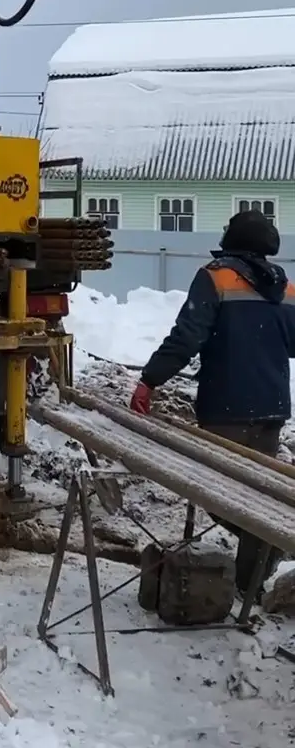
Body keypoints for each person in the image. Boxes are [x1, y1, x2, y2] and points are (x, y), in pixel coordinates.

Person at [129, 208, 295, 593]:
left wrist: (149, 381)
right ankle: (249, 582)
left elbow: (187, 336)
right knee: (254, 493)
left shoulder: (215, 278)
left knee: (219, 496)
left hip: (227, 407)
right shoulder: (284, 286)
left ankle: (267, 547)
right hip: (271, 409)